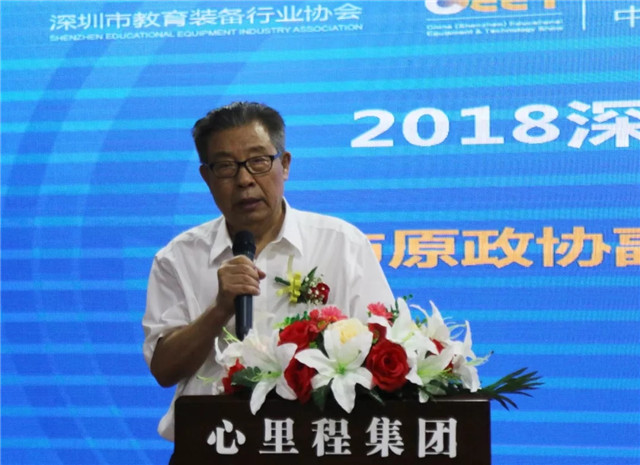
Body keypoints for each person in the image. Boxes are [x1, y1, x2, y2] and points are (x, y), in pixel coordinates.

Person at [142, 101, 394, 443]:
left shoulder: (342, 244)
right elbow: (164, 370)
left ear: (284, 164)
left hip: (317, 442)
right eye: (226, 167)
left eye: (258, 161)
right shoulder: (178, 258)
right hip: (211, 445)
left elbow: (385, 353)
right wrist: (219, 309)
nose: (245, 180)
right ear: (207, 177)